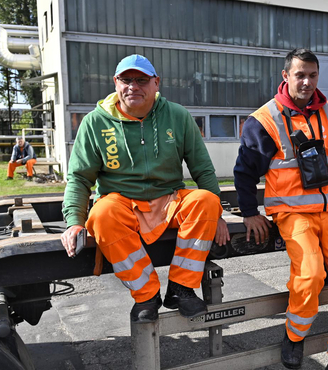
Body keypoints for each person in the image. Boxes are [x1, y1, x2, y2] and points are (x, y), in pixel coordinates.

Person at [60, 54, 229, 324]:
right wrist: (73, 223)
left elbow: (203, 169)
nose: (133, 86)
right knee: (101, 214)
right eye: (126, 80)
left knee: (206, 201)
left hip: (170, 200)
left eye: (141, 80)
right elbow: (80, 178)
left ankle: (181, 288)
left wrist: (217, 215)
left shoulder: (177, 115)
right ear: (116, 83)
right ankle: (146, 295)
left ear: (156, 83)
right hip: (122, 204)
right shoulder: (95, 122)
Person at [233, 48, 328, 370]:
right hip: (291, 213)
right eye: (300, 75)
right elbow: (244, 171)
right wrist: (250, 212)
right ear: (286, 76)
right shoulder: (265, 119)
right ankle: (294, 335)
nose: (307, 82)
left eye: (312, 75)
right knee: (310, 275)